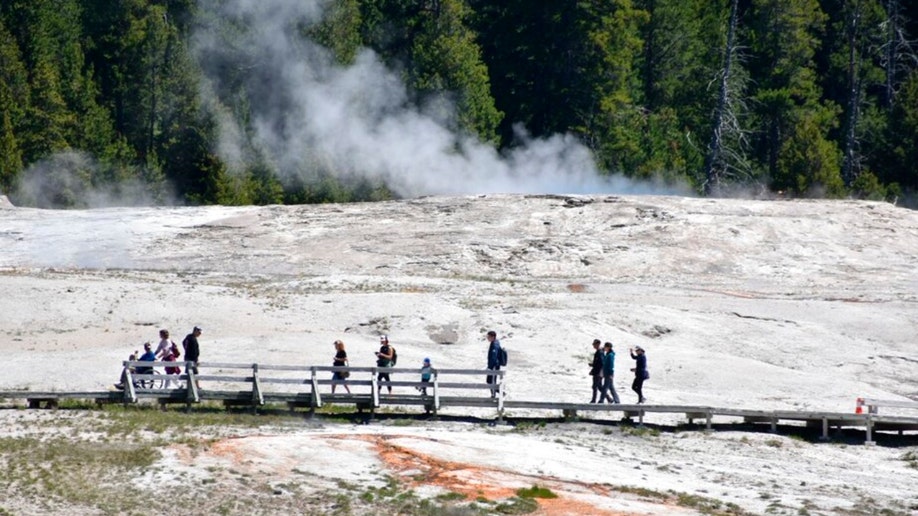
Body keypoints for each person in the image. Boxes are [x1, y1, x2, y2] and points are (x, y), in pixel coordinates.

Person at [486, 330, 502, 398]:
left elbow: (493, 356)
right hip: (494, 365)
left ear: (492, 337)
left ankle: (495, 394)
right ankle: (497, 392)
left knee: (491, 380)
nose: (487, 338)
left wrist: (490, 366)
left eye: (488, 336)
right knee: (490, 380)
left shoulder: (495, 344)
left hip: (494, 366)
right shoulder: (495, 343)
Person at [589, 339, 603, 403]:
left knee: (595, 386)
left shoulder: (600, 352)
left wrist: (593, 366)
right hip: (597, 372)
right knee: (599, 387)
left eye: (594, 344)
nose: (593, 345)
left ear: (598, 344)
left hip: (598, 372)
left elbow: (600, 363)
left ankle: (593, 400)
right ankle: (609, 399)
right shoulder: (599, 352)